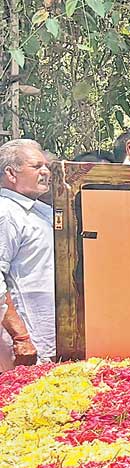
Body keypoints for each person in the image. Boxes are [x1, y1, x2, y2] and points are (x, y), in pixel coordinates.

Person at [0, 139, 54, 368]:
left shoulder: (42, 211)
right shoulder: (6, 212)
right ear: (11, 173)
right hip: (23, 345)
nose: (46, 172)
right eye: (36, 167)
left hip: (47, 339)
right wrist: (20, 337)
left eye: (46, 166)